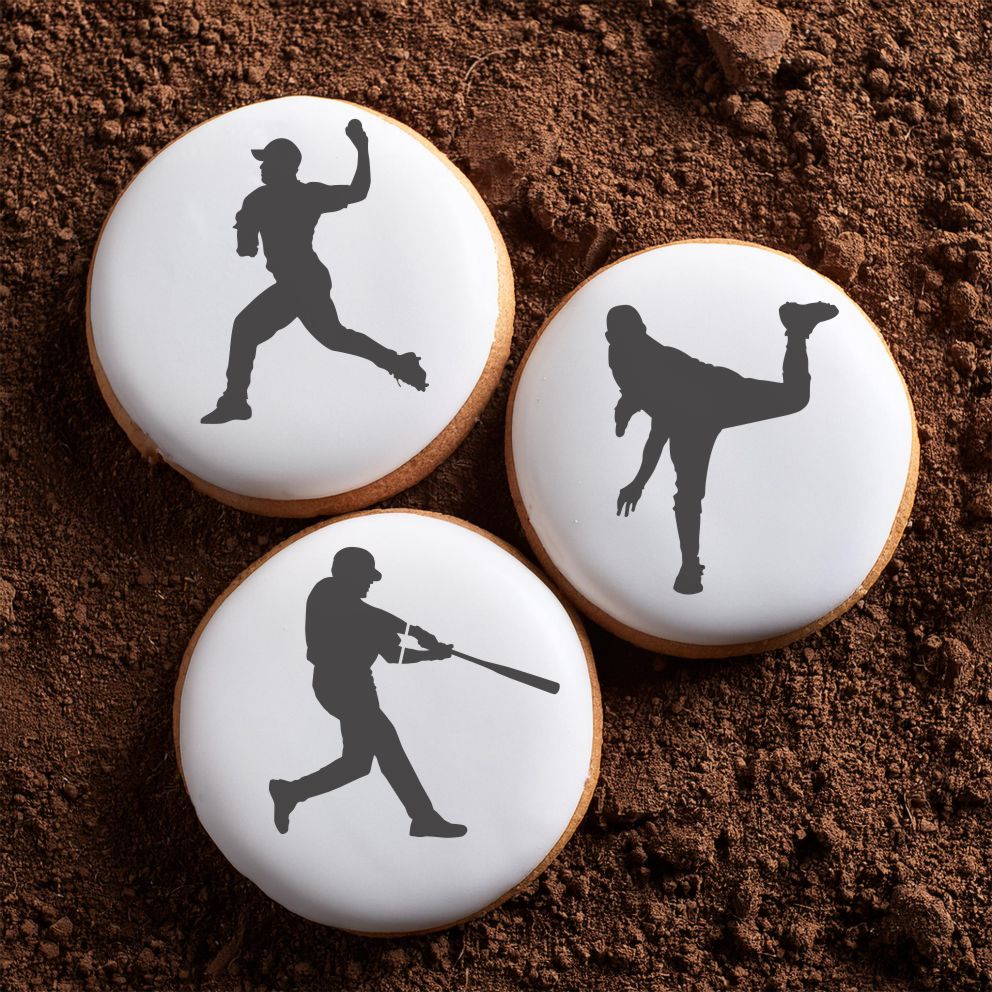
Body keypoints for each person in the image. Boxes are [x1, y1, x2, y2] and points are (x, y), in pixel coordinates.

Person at [202, 120, 428, 424]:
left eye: (267, 161)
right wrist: (246, 233)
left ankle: (235, 401)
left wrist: (362, 146)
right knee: (335, 338)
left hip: (301, 280)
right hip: (307, 278)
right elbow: (248, 246)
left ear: (285, 165)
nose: (262, 167)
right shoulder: (287, 197)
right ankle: (399, 363)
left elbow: (358, 192)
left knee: (245, 328)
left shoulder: (279, 197)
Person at [608, 300, 838, 594]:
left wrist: (638, 482)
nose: (630, 341)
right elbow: (640, 395)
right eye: (621, 337)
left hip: (715, 395)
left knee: (795, 398)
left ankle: (796, 328)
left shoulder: (655, 361)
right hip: (690, 416)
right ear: (611, 339)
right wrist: (627, 406)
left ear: (642, 331)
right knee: (689, 495)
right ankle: (690, 568)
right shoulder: (618, 358)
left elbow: (659, 430)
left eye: (634, 334)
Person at [268, 546, 467, 838]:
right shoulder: (328, 591)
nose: (370, 583)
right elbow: (368, 616)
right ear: (348, 572)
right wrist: (416, 631)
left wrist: (430, 654)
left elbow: (392, 654)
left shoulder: (364, 616)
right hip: (339, 684)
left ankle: (291, 791)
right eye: (367, 576)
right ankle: (423, 817)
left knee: (357, 764)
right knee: (388, 745)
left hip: (359, 688)